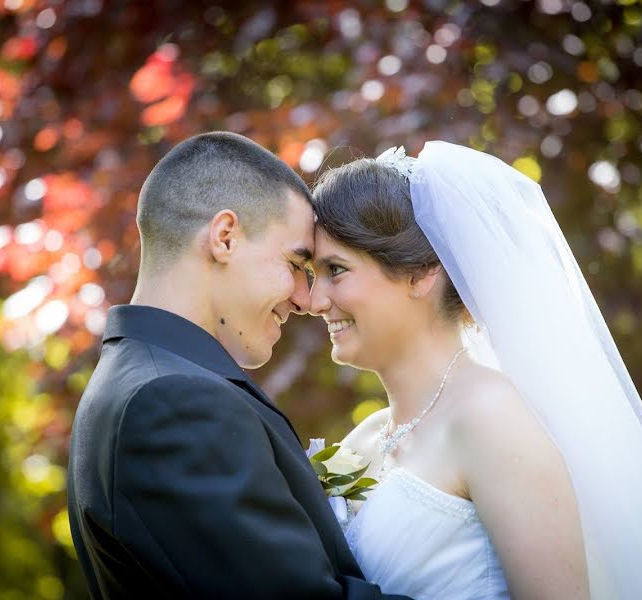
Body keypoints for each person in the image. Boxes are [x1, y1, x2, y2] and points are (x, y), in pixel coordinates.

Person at [308, 142, 642, 599]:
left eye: (336, 270)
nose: (315, 302)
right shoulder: (363, 441)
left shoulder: (491, 418)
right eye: (313, 274)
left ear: (421, 273)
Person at [67, 131, 410, 600]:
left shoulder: (138, 381)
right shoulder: (173, 404)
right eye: (295, 263)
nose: (306, 299)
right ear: (224, 237)